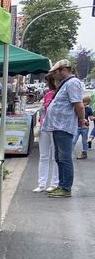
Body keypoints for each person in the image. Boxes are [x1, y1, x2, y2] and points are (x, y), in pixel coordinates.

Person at [45, 59, 89, 198]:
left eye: (55, 73)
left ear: (63, 70)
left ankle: (65, 188)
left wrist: (82, 120)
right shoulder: (65, 83)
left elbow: (79, 104)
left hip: (64, 126)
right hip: (58, 125)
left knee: (64, 157)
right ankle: (61, 184)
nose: (54, 75)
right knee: (59, 157)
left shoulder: (72, 83)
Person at [34, 73, 59, 193]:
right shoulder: (48, 94)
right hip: (45, 126)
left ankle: (54, 183)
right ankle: (42, 183)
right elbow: (44, 110)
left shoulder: (60, 94)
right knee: (44, 156)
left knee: (55, 157)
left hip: (55, 127)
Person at [73, 95, 92, 159]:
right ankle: (69, 153)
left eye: (85, 102)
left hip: (85, 127)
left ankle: (84, 153)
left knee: (84, 141)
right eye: (82, 101)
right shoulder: (78, 108)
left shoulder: (89, 109)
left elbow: (91, 118)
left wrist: (90, 119)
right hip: (77, 126)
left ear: (88, 103)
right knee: (73, 140)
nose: (83, 103)